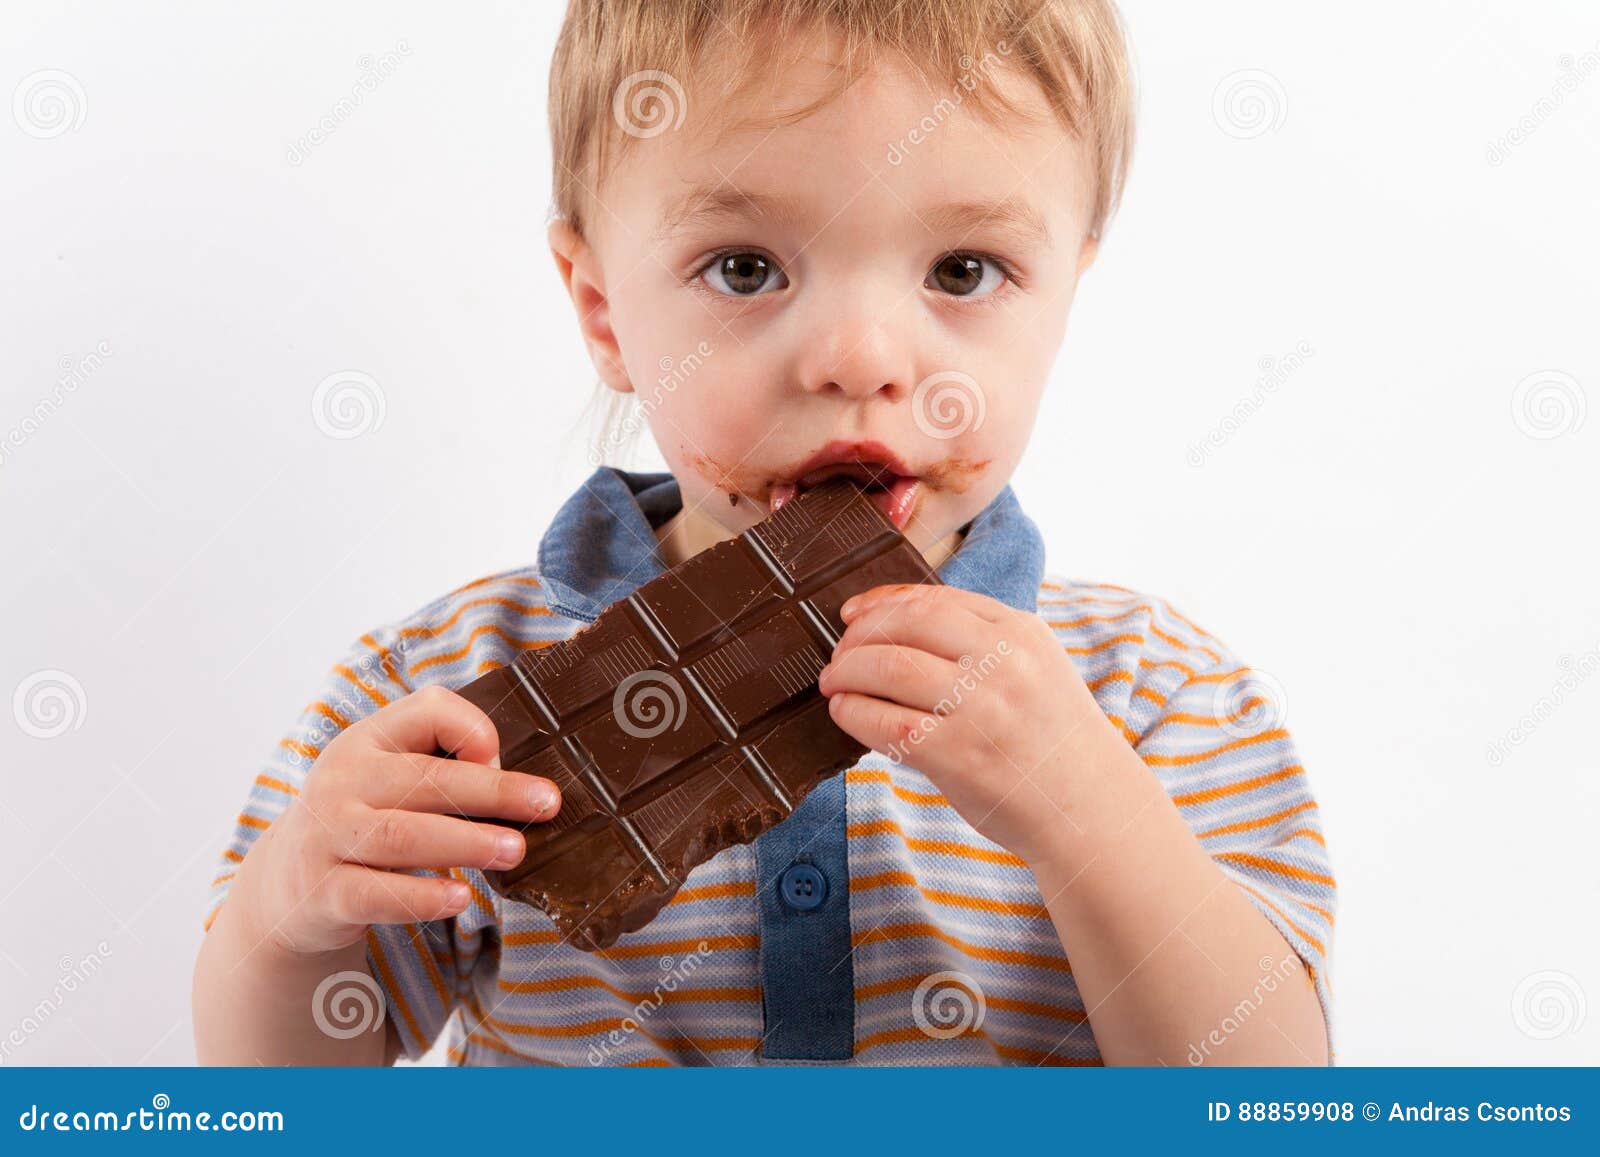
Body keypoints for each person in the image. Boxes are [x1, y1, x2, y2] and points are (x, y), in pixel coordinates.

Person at [192, 0, 1335, 1066]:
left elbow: (1271, 1096)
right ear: (604, 313)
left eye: (963, 269)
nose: (860, 355)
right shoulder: (441, 697)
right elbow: (276, 1086)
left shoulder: (1157, 697)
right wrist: (291, 911)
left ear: (1061, 300)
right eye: (746, 268)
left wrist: (1083, 806)